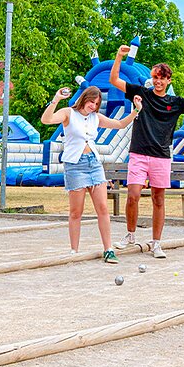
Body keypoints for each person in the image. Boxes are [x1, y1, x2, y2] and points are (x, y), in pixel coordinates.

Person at [109, 47, 184, 258]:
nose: (158, 81)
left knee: (158, 199)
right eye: (155, 77)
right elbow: (114, 80)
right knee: (133, 195)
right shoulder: (141, 94)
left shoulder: (175, 103)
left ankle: (156, 243)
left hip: (161, 156)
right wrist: (119, 56)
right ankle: (130, 235)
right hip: (138, 153)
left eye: (162, 78)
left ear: (168, 81)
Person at [41, 85, 141, 263]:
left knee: (102, 208)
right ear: (84, 98)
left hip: (94, 163)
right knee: (76, 212)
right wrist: (56, 99)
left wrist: (136, 110)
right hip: (75, 165)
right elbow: (46, 120)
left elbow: (120, 124)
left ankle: (108, 249)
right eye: (91, 102)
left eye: (96, 104)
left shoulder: (96, 117)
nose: (93, 106)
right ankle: (74, 250)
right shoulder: (69, 113)